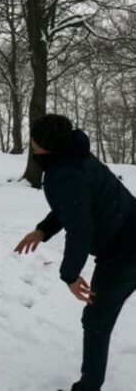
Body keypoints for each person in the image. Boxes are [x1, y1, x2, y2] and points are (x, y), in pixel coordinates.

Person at [14, 114, 136, 391]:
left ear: (44, 145)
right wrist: (43, 230)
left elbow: (80, 230)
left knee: (96, 320)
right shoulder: (75, 156)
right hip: (128, 236)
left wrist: (69, 275)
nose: (30, 142)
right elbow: (75, 207)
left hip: (125, 253)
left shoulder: (64, 174)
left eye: (33, 139)